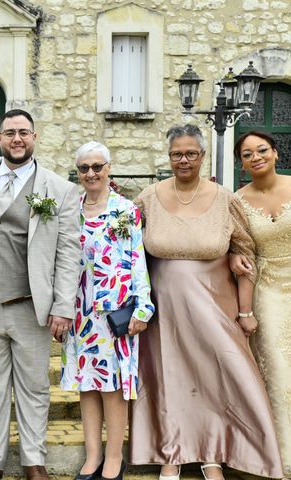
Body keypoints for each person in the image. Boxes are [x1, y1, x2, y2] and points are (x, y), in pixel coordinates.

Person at [128, 124, 283, 480]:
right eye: (176, 154)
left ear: (202, 157)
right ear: (169, 157)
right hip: (163, 312)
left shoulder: (224, 198)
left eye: (191, 154)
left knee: (218, 376)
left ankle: (213, 452)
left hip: (215, 306)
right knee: (171, 380)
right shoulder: (148, 197)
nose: (184, 160)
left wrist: (244, 310)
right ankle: (172, 451)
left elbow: (244, 250)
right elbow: (127, 250)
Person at [0, 109, 81, 480]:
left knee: (34, 386)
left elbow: (69, 253)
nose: (17, 139)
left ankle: (33, 460)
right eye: (10, 132)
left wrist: (63, 307)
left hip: (31, 306)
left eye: (23, 132)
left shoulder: (60, 189)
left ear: (34, 137)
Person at [61, 141, 153, 480]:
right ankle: (92, 456)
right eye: (84, 168)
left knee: (113, 386)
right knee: (87, 384)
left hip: (116, 311)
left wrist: (143, 308)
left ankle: (114, 458)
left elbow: (137, 260)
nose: (91, 173)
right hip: (80, 309)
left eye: (97, 166)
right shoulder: (69, 209)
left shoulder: (125, 210)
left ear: (108, 169)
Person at [229, 131, 291, 476]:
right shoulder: (238, 200)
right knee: (279, 374)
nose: (256, 157)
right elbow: (237, 245)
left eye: (262, 150)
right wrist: (234, 259)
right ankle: (279, 458)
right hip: (267, 290)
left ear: (276, 153)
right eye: (248, 154)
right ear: (241, 162)